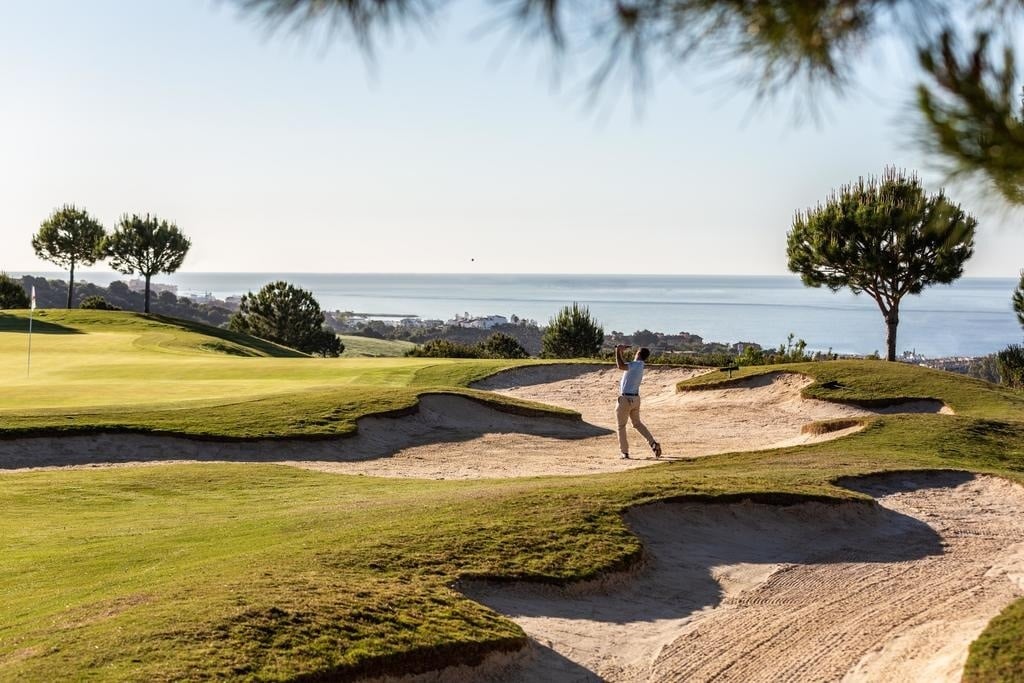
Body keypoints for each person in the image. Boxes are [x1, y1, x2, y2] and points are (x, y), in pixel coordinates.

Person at [615, 344, 662, 459]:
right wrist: (621, 352)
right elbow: (625, 364)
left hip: (625, 399)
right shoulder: (639, 365)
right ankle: (653, 443)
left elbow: (620, 365)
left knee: (621, 426)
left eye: (636, 352)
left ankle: (624, 452)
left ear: (638, 354)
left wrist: (617, 351)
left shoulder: (635, 365)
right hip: (635, 399)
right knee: (637, 424)